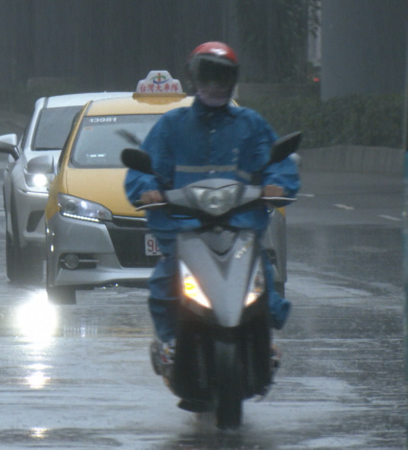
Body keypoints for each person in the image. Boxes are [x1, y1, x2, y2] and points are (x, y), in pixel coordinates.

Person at [123, 42, 299, 381]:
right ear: (194, 78)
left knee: (264, 279)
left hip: (240, 229)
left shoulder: (251, 125)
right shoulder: (172, 125)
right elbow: (144, 170)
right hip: (185, 229)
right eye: (208, 76)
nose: (215, 85)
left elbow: (278, 165)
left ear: (233, 80)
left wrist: (278, 185)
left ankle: (264, 341)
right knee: (164, 284)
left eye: (223, 77)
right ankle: (171, 341)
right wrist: (147, 188)